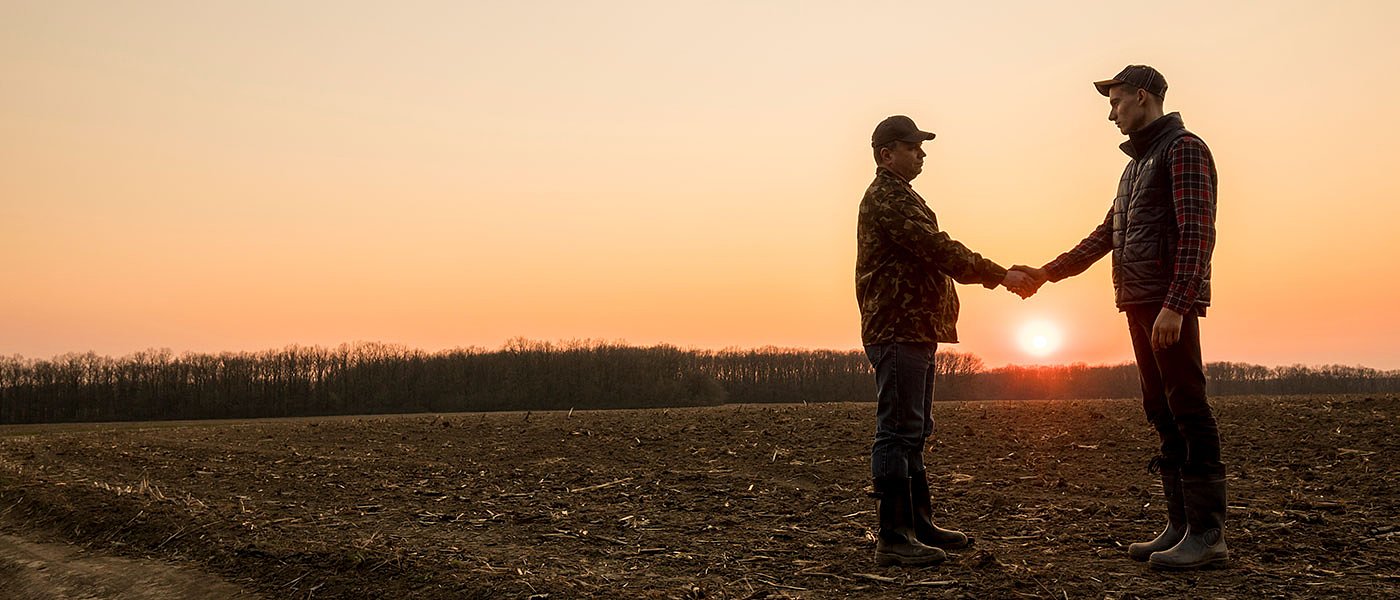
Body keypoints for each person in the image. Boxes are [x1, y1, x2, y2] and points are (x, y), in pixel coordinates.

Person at [1012, 65, 1226, 570]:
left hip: (1167, 304)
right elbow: (1105, 234)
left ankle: (1208, 534)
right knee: (1160, 408)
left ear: (1143, 97)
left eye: (1116, 102)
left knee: (1188, 407)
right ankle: (1180, 525)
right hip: (1139, 301)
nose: (1111, 114)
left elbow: (1198, 233)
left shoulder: (1183, 149)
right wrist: (1046, 273)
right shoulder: (1136, 167)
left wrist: (1177, 303)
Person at [856, 115, 1035, 566]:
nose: (922, 153)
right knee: (896, 431)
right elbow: (937, 248)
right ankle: (894, 536)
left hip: (915, 329)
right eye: (913, 146)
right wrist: (999, 274)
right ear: (886, 154)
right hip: (897, 328)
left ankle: (918, 524)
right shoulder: (886, 199)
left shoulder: (903, 196)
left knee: (913, 431)